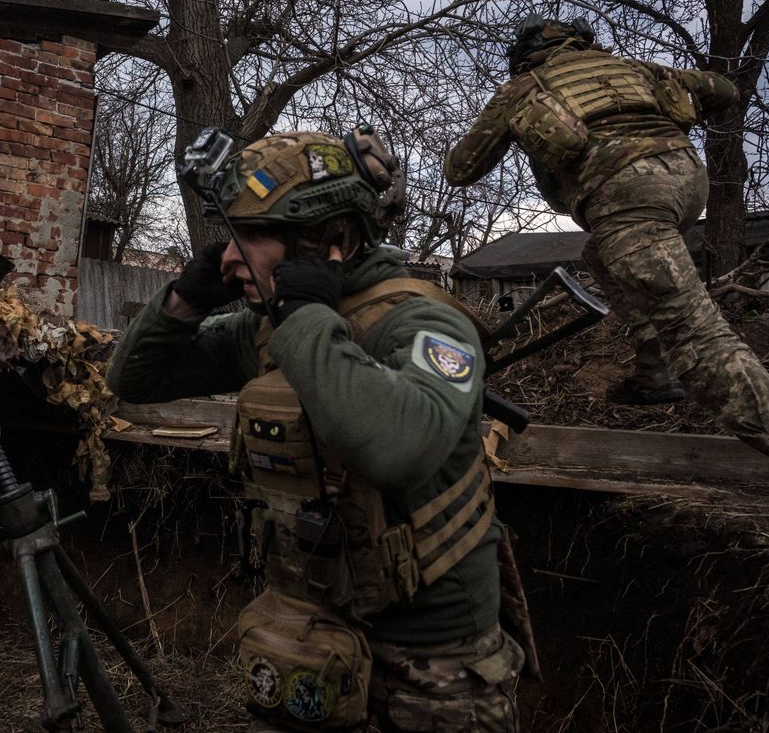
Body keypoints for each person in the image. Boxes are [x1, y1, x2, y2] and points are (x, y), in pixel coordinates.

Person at [108, 128, 524, 732]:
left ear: (332, 240)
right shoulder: (270, 330)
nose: (229, 258)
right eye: (230, 236)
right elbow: (136, 379)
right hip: (309, 637)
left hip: (432, 667)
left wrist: (304, 315)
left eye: (250, 236)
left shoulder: (424, 325)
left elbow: (398, 448)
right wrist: (182, 302)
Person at [444, 13, 769, 527]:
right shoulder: (634, 69)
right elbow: (724, 90)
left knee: (695, 331)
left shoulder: (523, 88)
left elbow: (460, 170)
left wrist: (524, 122)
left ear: (525, 54)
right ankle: (652, 368)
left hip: (625, 192)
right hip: (686, 180)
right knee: (600, 253)